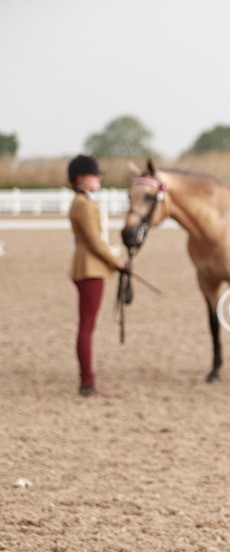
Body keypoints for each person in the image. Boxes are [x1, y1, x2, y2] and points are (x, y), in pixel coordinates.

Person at [67, 154, 128, 397]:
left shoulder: (85, 202)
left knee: (87, 326)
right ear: (81, 178)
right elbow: (94, 241)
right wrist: (118, 263)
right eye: (95, 174)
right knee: (86, 327)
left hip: (90, 267)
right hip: (89, 268)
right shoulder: (83, 204)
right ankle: (87, 382)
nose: (100, 177)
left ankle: (88, 380)